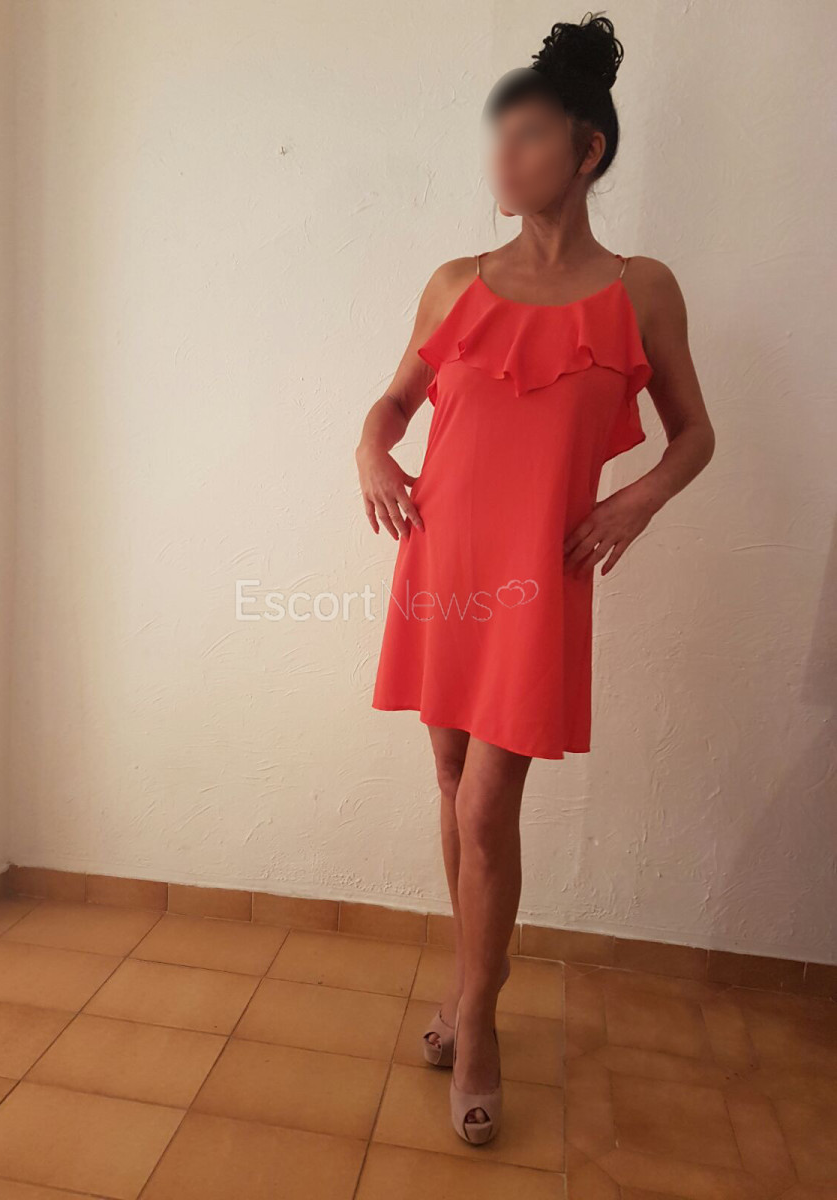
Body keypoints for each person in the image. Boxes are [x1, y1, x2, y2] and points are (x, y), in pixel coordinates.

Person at [354, 12, 714, 1145]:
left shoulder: (642, 290)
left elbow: (695, 435)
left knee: (486, 802)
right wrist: (372, 454)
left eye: (526, 137)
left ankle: (479, 1017)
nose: (501, 158)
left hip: (535, 580)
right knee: (449, 777)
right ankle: (467, 985)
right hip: (442, 560)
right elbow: (392, 406)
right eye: (495, 137)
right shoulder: (455, 283)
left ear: (587, 150)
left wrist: (634, 502)